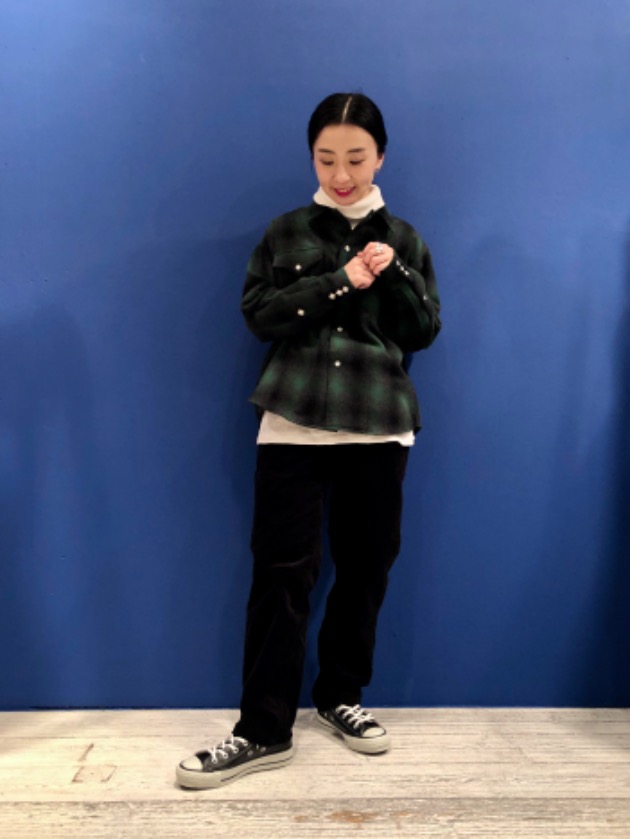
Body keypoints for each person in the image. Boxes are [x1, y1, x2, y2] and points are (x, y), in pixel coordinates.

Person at [176, 92, 441, 789]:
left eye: (355, 158)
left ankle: (340, 695)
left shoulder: (405, 240)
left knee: (365, 568)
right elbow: (260, 315)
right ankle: (263, 728)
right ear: (312, 158)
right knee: (280, 574)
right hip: (292, 424)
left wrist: (394, 273)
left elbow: (423, 331)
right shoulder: (285, 231)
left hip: (379, 424)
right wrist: (341, 281)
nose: (341, 174)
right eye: (326, 159)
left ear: (380, 157)